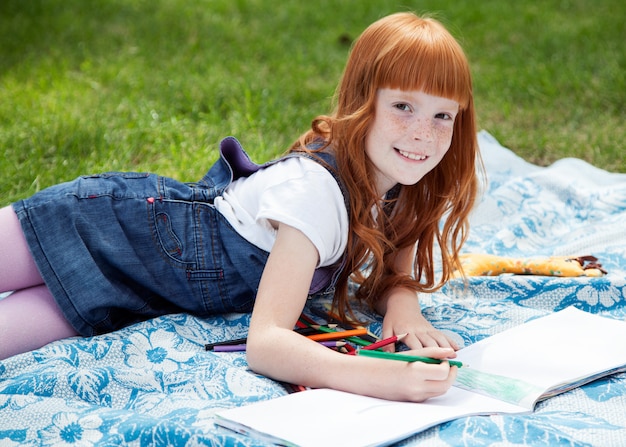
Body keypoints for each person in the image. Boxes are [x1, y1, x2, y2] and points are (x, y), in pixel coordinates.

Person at [0, 12, 480, 402]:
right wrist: (377, 378)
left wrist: (403, 304)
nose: (424, 133)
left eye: (443, 115)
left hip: (132, 294)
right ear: (362, 102)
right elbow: (266, 343)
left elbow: (389, 275)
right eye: (403, 107)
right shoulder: (317, 194)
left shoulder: (404, 181)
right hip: (104, 222)